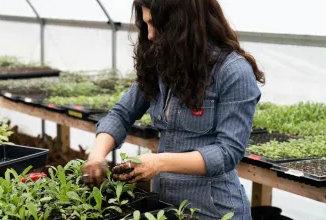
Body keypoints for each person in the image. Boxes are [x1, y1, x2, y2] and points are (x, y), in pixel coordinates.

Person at [82, 0, 265, 219]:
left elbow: (227, 153)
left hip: (213, 211)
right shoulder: (165, 62)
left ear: (182, 23)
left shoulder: (233, 71)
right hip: (165, 207)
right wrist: (97, 154)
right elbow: (122, 113)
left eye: (154, 24)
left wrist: (158, 163)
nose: (149, 35)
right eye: (146, 24)